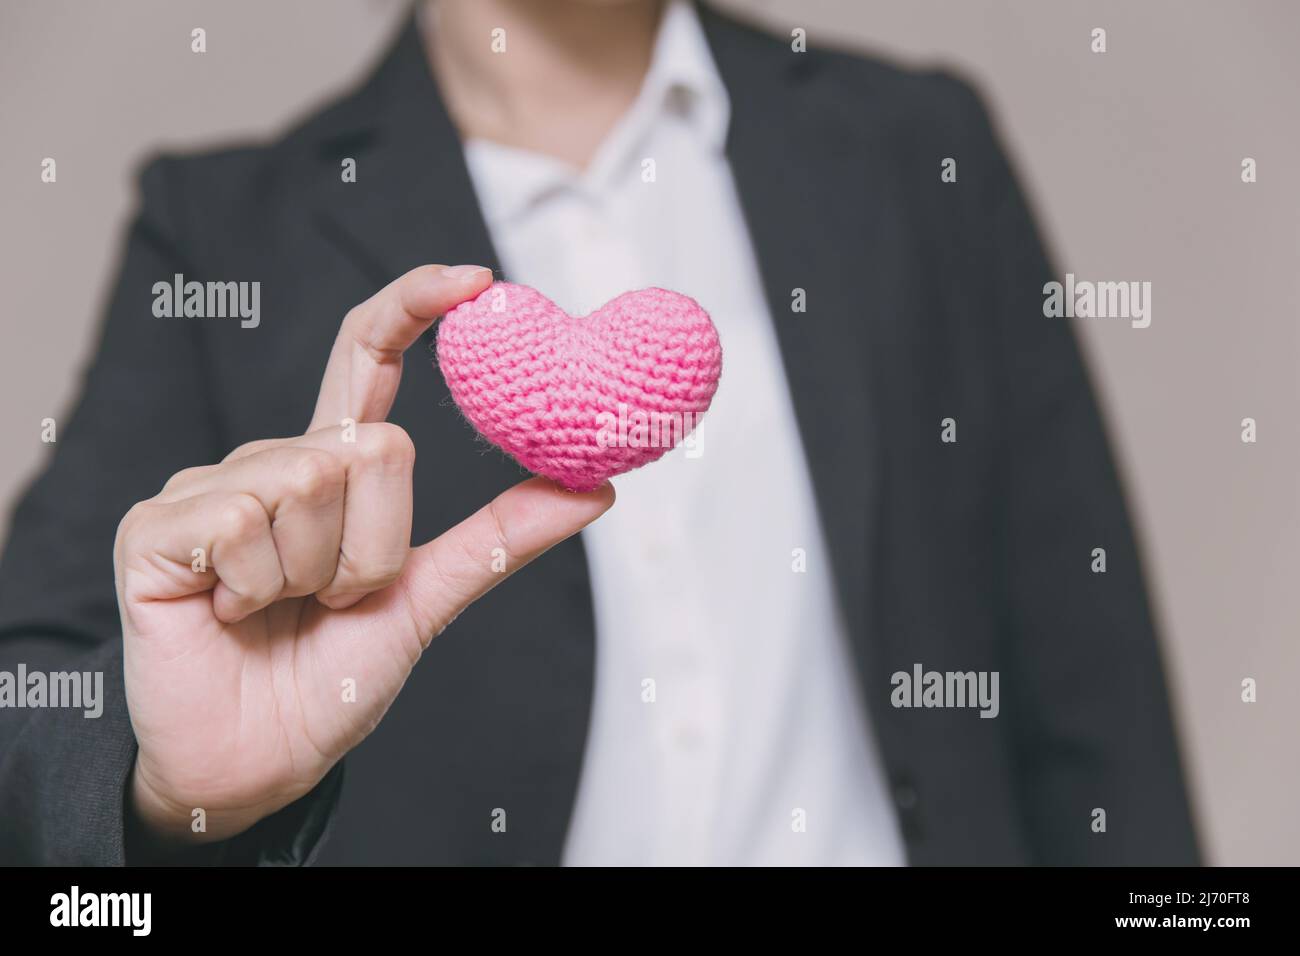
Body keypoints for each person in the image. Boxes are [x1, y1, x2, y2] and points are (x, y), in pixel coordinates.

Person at [0, 0, 1198, 865]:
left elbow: (1090, 677)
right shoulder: (224, 231)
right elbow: (32, 680)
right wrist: (167, 801)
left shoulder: (914, 148)